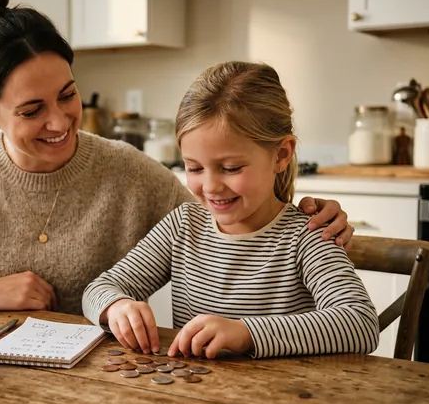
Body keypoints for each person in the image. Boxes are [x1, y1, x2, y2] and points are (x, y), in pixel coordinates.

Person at [0, 0, 356, 317]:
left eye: (68, 95)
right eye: (32, 111)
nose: (60, 122)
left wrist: (310, 214)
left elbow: (226, 225)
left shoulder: (128, 172)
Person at [82, 61, 379, 359]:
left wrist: (246, 333)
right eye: (194, 168)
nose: (210, 186)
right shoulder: (183, 226)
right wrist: (116, 306)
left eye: (231, 168)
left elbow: (360, 323)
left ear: (281, 155)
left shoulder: (308, 235)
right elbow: (99, 288)